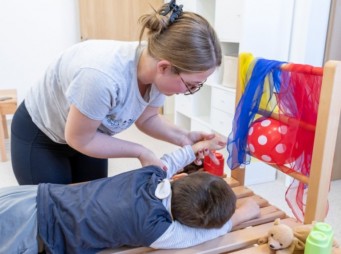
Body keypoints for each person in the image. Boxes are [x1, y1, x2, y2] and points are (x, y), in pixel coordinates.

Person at [10, 0, 222, 185]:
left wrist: (185, 137)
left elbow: (147, 118)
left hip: (90, 133)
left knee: (91, 206)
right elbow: (79, 139)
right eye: (192, 85)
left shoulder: (155, 69)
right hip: (42, 135)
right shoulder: (102, 77)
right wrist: (141, 151)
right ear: (164, 67)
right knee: (53, 215)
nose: (191, 90)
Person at [0, 135, 260, 254]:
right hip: (36, 233)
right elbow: (194, 236)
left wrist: (198, 147)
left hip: (31, 197)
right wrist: (239, 216)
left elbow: (171, 158)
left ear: (180, 178)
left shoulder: (152, 174)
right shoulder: (157, 229)